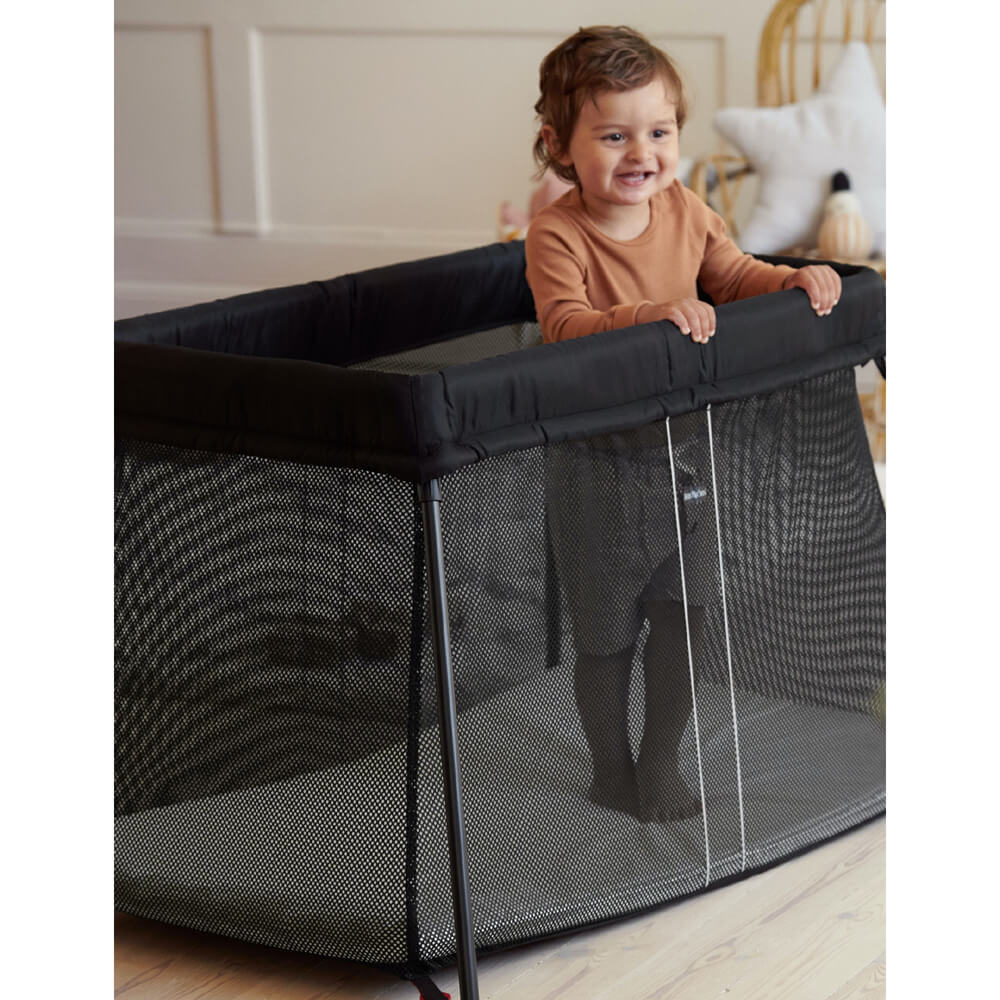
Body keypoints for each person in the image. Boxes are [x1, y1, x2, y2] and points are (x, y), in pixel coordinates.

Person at [525, 25, 841, 822]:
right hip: (597, 465)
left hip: (687, 455)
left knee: (686, 618)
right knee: (606, 635)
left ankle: (660, 761)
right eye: (615, 136)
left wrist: (790, 280)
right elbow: (564, 326)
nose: (643, 153)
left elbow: (731, 275)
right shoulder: (557, 232)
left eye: (659, 132)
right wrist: (651, 315)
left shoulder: (686, 209)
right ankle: (611, 767)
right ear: (559, 146)